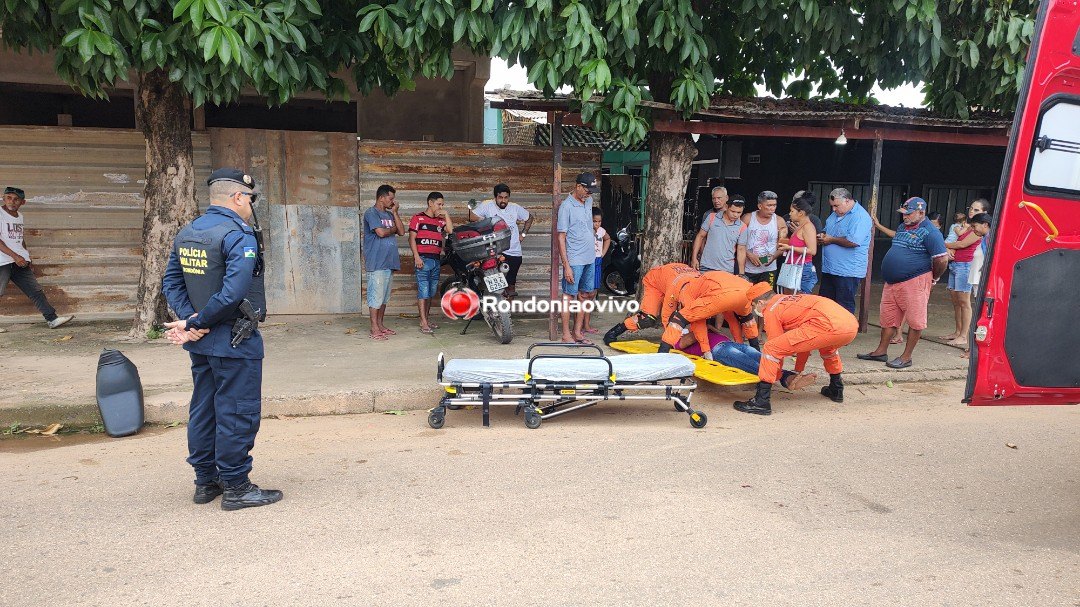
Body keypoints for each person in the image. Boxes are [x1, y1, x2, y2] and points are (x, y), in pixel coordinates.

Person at [161, 168, 281, 511]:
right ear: (238, 197)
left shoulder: (189, 231)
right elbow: (233, 293)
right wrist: (196, 320)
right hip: (233, 339)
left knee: (205, 408)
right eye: (250, 199)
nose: (250, 206)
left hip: (202, 340)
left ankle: (205, 481)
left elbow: (172, 282)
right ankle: (236, 486)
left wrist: (192, 322)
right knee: (237, 411)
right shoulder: (237, 234)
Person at [732, 284, 859, 415]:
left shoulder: (771, 309)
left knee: (771, 348)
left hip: (827, 326)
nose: (754, 310)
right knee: (828, 349)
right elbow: (805, 342)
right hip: (850, 325)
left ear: (760, 302)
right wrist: (798, 369)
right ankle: (836, 388)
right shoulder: (789, 300)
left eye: (753, 306)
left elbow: (776, 347)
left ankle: (761, 401)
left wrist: (776, 375)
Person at [860, 197, 949, 369]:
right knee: (888, 317)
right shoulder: (902, 227)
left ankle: (906, 357)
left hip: (915, 280)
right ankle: (881, 351)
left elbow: (942, 260)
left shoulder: (931, 232)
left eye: (909, 213)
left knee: (915, 320)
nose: (905, 217)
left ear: (921, 212)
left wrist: (934, 278)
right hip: (893, 281)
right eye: (903, 213)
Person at [0, 187, 74, 329]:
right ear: (3, 198)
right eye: (9, 197)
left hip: (20, 261)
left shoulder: (19, 216)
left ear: (23, 202)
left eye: (16, 199)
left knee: (35, 290)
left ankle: (52, 319)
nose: (12, 201)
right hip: (3, 261)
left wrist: (28, 259)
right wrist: (15, 256)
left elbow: (20, 239)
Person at [657, 271, 760, 358]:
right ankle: (757, 352)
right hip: (722, 347)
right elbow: (696, 330)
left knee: (680, 319)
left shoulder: (688, 293)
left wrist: (706, 349)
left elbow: (698, 324)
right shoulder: (679, 341)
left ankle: (661, 355)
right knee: (747, 321)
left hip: (725, 344)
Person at [603, 262, 700, 344]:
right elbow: (666, 315)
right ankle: (615, 331)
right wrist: (670, 341)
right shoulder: (676, 288)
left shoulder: (700, 285)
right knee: (647, 319)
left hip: (672, 277)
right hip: (654, 282)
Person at [469, 183, 533, 298]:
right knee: (495, 285)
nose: (503, 200)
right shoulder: (487, 205)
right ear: (495, 197)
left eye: (506, 197)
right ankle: (493, 312)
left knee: (510, 287)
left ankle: (507, 314)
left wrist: (523, 234)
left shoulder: (515, 207)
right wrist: (485, 220)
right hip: (495, 252)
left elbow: (529, 218)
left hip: (514, 252)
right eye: (500, 197)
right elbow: (471, 217)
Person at [818, 188, 873, 314]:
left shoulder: (860, 217)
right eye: (832, 206)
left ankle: (845, 333)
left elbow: (853, 241)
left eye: (836, 206)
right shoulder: (836, 214)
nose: (834, 209)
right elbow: (827, 231)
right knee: (825, 304)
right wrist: (822, 235)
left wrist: (830, 239)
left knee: (843, 307)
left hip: (847, 271)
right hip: (830, 269)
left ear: (847, 201)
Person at [558, 172, 598, 344]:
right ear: (578, 186)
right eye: (587, 190)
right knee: (568, 296)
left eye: (591, 191)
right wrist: (566, 265)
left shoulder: (588, 201)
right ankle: (566, 334)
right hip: (574, 259)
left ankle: (578, 333)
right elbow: (561, 237)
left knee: (585, 295)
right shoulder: (566, 207)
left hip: (590, 257)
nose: (589, 194)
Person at [940, 203, 985, 346]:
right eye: (971, 208)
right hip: (956, 265)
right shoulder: (968, 227)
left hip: (965, 266)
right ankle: (957, 332)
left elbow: (961, 245)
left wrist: (941, 244)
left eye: (976, 210)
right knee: (956, 302)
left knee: (964, 302)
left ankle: (964, 335)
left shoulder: (977, 230)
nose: (972, 211)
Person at [363, 184, 404, 341]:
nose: (392, 201)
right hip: (376, 261)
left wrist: (395, 213)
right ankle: (374, 328)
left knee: (384, 297)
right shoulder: (371, 213)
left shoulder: (389, 214)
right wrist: (392, 229)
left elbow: (401, 231)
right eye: (391, 198)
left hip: (389, 261)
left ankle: (380, 325)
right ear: (381, 197)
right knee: (375, 296)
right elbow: (381, 233)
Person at [409, 191, 453, 335]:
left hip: (435, 260)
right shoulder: (418, 218)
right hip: (423, 259)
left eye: (442, 204)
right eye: (439, 204)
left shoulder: (440, 221)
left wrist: (446, 215)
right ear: (430, 203)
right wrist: (416, 257)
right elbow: (411, 239)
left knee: (432, 291)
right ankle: (424, 323)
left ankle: (425, 319)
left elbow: (450, 230)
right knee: (424, 291)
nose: (441, 207)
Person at [737, 190, 787, 288]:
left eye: (774, 205)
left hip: (769, 270)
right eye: (769, 206)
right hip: (747, 269)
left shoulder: (780, 221)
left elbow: (783, 246)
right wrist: (749, 254)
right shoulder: (747, 218)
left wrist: (773, 257)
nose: (772, 209)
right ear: (760, 206)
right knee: (746, 297)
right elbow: (735, 241)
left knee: (766, 297)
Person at [961, 212, 992, 359]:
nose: (973, 229)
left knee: (981, 317)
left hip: (981, 282)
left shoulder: (989, 239)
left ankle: (973, 350)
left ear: (985, 224)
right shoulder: (985, 239)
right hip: (977, 281)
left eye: (975, 226)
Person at [691, 195, 747, 274]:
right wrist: (694, 258)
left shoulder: (742, 227)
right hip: (706, 266)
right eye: (733, 211)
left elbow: (741, 250)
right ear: (726, 207)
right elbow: (700, 236)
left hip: (726, 270)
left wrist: (741, 274)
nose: (736, 215)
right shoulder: (712, 217)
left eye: (739, 212)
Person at [776, 195, 818, 294]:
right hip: (793, 266)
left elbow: (812, 251)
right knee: (789, 297)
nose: (789, 214)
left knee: (800, 299)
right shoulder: (799, 226)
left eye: (792, 211)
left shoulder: (808, 227)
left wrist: (790, 247)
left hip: (801, 268)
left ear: (801, 213)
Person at [582, 208, 610, 335]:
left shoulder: (601, 231)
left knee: (592, 294)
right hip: (586, 261)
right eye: (594, 221)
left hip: (597, 261)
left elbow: (607, 239)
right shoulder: (585, 231)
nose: (597, 224)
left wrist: (603, 253)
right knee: (583, 295)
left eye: (599, 221)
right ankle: (580, 325)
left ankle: (587, 325)